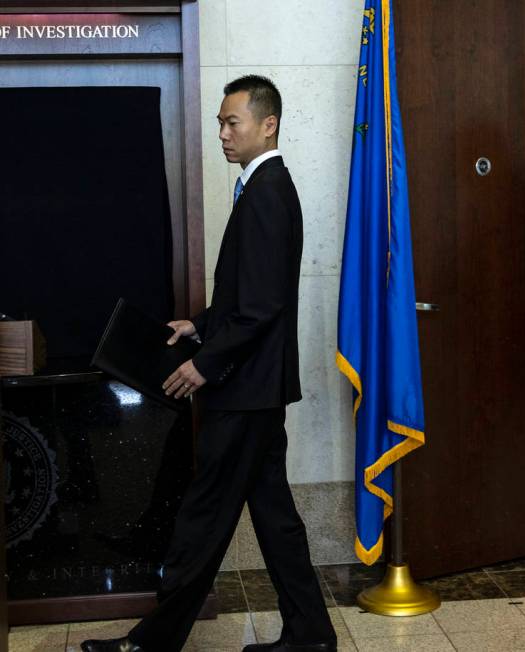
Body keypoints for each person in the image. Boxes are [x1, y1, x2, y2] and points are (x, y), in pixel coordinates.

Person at [83, 76, 337, 652]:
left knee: (202, 518)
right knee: (275, 519)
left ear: (267, 125)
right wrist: (199, 323)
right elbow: (245, 293)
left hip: (244, 389)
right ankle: (312, 636)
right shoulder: (260, 186)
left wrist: (204, 363)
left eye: (232, 122)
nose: (222, 132)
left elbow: (262, 307)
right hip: (255, 389)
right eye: (221, 122)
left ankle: (153, 642)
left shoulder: (269, 190)